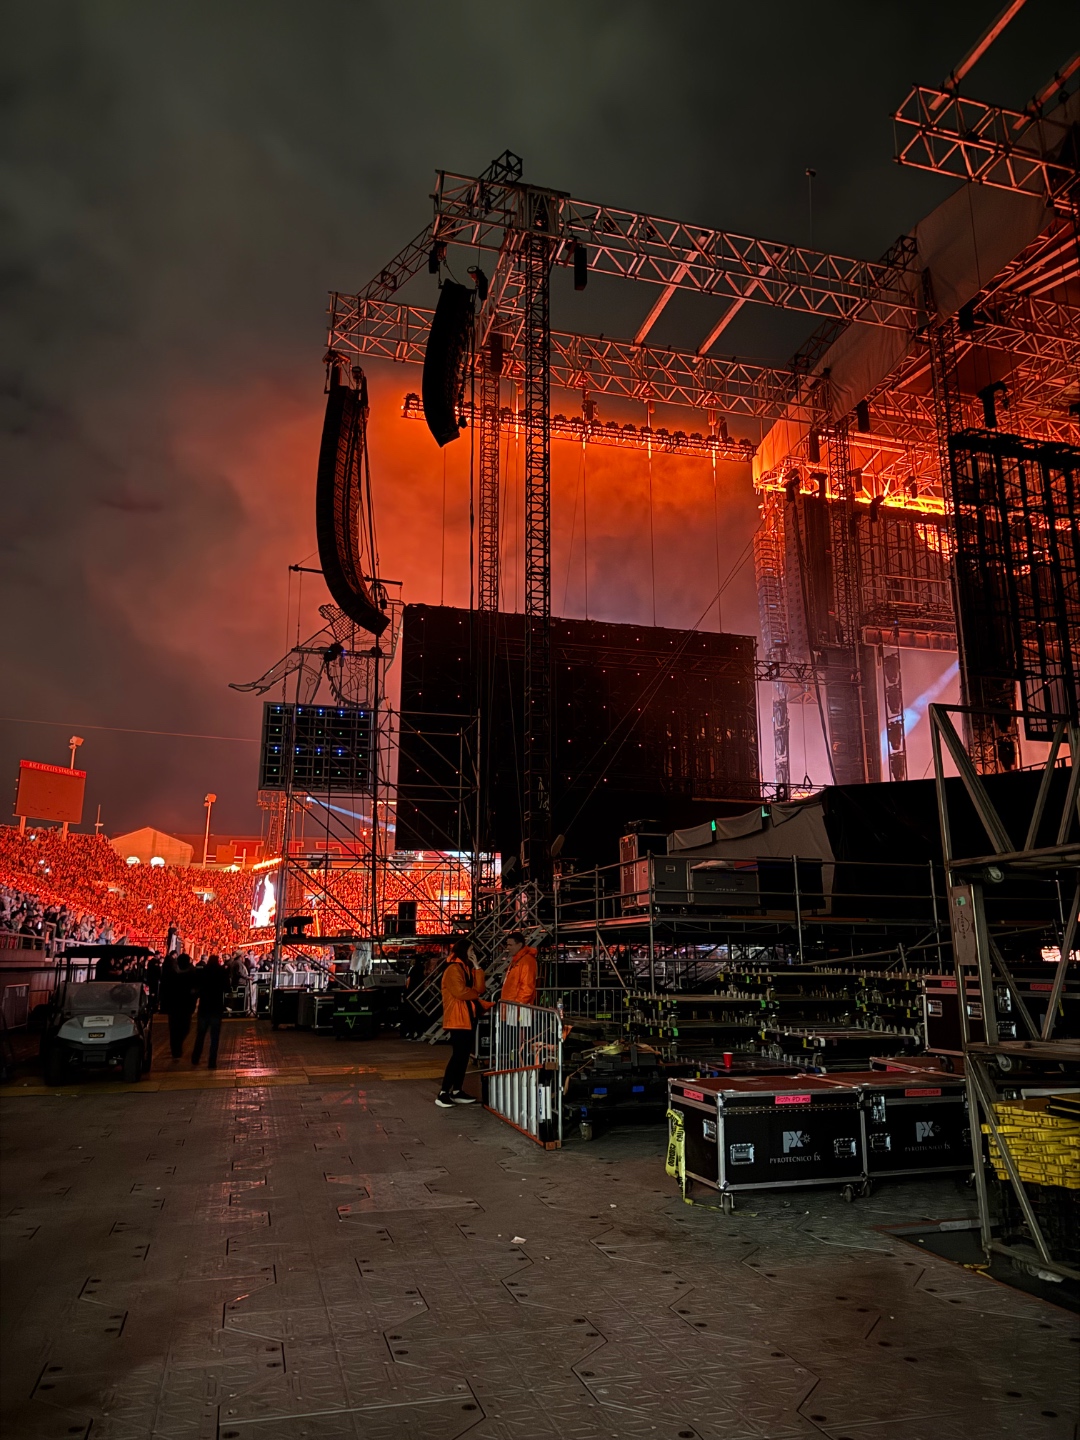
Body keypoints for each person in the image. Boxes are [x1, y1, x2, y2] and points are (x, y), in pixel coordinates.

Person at [435, 937, 486, 1108]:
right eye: (471, 950)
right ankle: (444, 1092)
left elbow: (479, 989)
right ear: (464, 951)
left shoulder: (465, 968)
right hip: (458, 1019)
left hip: (466, 1018)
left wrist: (477, 967)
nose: (473, 953)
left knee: (462, 1056)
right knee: (458, 1056)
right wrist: (475, 993)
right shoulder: (453, 969)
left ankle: (456, 1090)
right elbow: (461, 992)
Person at [191, 954, 229, 1069]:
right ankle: (212, 1062)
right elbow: (227, 987)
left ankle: (195, 1058)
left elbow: (197, 987)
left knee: (201, 1034)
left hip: (204, 1006)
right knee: (215, 1036)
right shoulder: (221, 972)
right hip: (216, 1006)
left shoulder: (203, 971)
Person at [161, 952, 198, 1059]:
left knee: (179, 1029)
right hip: (180, 1005)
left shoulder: (189, 973)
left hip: (179, 1005)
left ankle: (176, 1046)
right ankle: (176, 1049)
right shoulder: (178, 973)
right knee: (180, 1028)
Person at [500, 932, 538, 1007]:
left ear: (519, 945)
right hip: (512, 1006)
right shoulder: (517, 960)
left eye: (510, 945)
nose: (507, 947)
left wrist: (517, 1006)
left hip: (517, 1009)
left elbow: (527, 988)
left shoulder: (526, 961)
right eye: (507, 945)